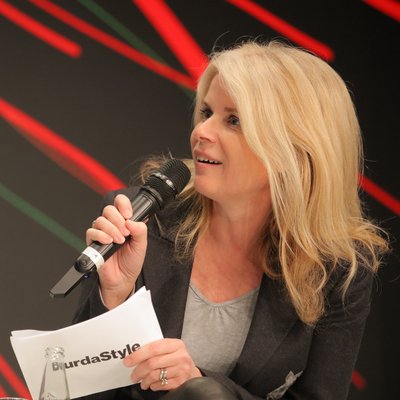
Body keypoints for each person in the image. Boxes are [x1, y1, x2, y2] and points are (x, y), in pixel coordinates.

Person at [73, 40, 388, 400]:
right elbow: (75, 390)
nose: (201, 132)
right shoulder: (140, 219)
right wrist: (114, 300)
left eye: (234, 120)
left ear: (296, 149)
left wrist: (202, 386)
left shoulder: (339, 268)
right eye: (207, 112)